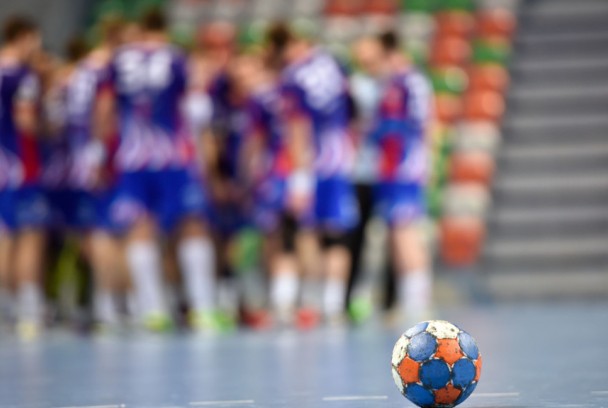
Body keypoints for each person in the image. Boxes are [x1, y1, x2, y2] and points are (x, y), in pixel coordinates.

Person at [99, 8, 216, 332]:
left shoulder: (118, 60)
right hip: (173, 157)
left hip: (133, 158)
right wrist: (204, 161)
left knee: (140, 228)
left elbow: (105, 109)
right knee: (193, 225)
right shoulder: (177, 58)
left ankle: (153, 311)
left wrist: (99, 154)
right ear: (164, 29)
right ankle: (203, 309)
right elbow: (197, 111)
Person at [273, 22, 359, 325]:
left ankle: (309, 301)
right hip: (339, 161)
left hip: (312, 163)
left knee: (305, 232)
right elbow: (352, 111)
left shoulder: (293, 76)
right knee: (337, 234)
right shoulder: (335, 64)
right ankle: (333, 305)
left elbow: (298, 129)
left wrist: (300, 179)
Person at [370, 31, 434, 322]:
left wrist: (426, 162)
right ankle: (406, 301)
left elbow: (427, 124)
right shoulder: (390, 84)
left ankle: (418, 302)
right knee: (396, 234)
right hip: (389, 169)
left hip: (405, 168)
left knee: (407, 233)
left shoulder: (412, 82)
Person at [0, 16, 50, 339]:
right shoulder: (22, 74)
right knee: (29, 235)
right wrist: (52, 129)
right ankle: (28, 309)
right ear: (25, 37)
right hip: (18, 165)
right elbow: (25, 121)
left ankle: (4, 309)